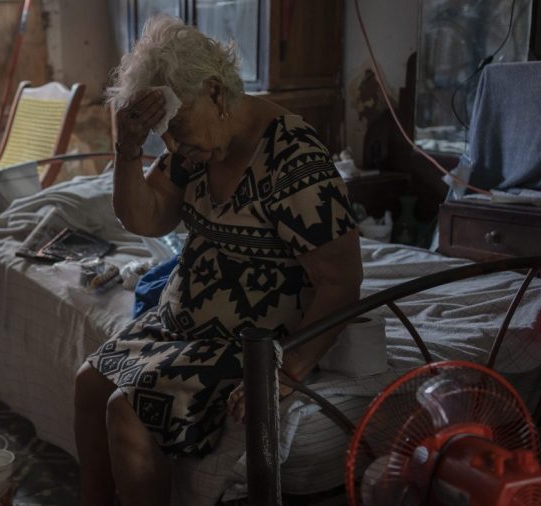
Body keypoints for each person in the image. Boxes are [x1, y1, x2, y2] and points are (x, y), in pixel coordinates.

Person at [73, 16, 362, 506]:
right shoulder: (196, 144)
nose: (173, 146)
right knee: (89, 383)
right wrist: (126, 151)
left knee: (129, 410)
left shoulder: (292, 157)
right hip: (180, 322)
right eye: (163, 135)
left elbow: (342, 280)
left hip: (249, 343)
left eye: (177, 129)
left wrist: (285, 374)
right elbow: (146, 217)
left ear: (215, 92)